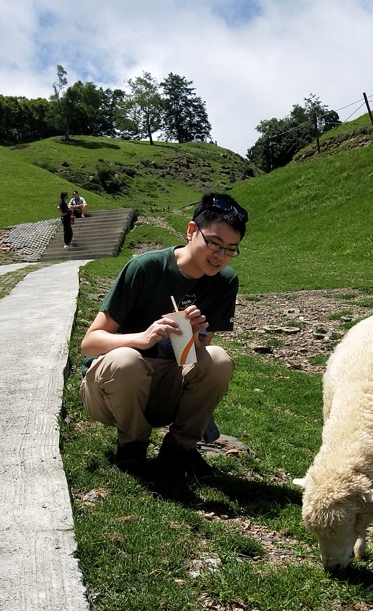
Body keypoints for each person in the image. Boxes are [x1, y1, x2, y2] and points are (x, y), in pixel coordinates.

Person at [79, 193, 248, 487]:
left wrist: (194, 338)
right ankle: (132, 448)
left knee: (219, 359)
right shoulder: (145, 268)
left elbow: (195, 360)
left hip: (164, 386)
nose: (220, 255)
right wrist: (141, 339)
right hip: (110, 391)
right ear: (192, 230)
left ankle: (178, 450)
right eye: (214, 243)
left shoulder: (225, 281)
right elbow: (90, 342)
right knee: (127, 359)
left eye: (231, 249)